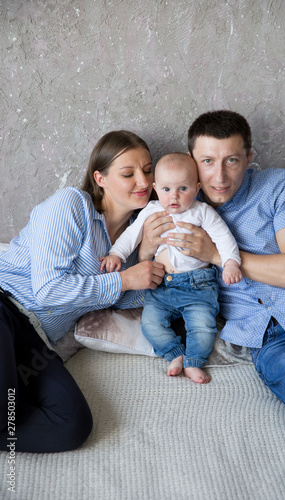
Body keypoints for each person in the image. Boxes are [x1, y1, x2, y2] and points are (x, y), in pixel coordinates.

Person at [147, 109, 285, 432]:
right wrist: (147, 249)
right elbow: (146, 283)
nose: (219, 178)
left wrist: (215, 254)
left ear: (249, 157)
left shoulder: (281, 186)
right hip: (278, 343)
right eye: (207, 162)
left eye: (231, 160)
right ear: (192, 160)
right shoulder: (170, 209)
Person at [0, 130, 166, 453]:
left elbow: (129, 298)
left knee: (73, 424)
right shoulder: (72, 205)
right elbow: (48, 290)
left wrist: (144, 257)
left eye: (148, 170)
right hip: (4, 304)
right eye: (128, 173)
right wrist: (125, 280)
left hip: (36, 341)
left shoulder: (132, 241)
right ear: (99, 178)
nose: (143, 181)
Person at [100, 152, 242, 383]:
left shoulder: (202, 212)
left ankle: (194, 361)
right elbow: (131, 235)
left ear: (196, 188)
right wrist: (116, 253)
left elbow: (224, 238)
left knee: (203, 327)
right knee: (150, 325)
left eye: (183, 189)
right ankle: (174, 354)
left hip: (198, 285)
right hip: (161, 287)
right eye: (166, 189)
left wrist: (231, 263)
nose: (173, 196)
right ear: (156, 188)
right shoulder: (152, 210)